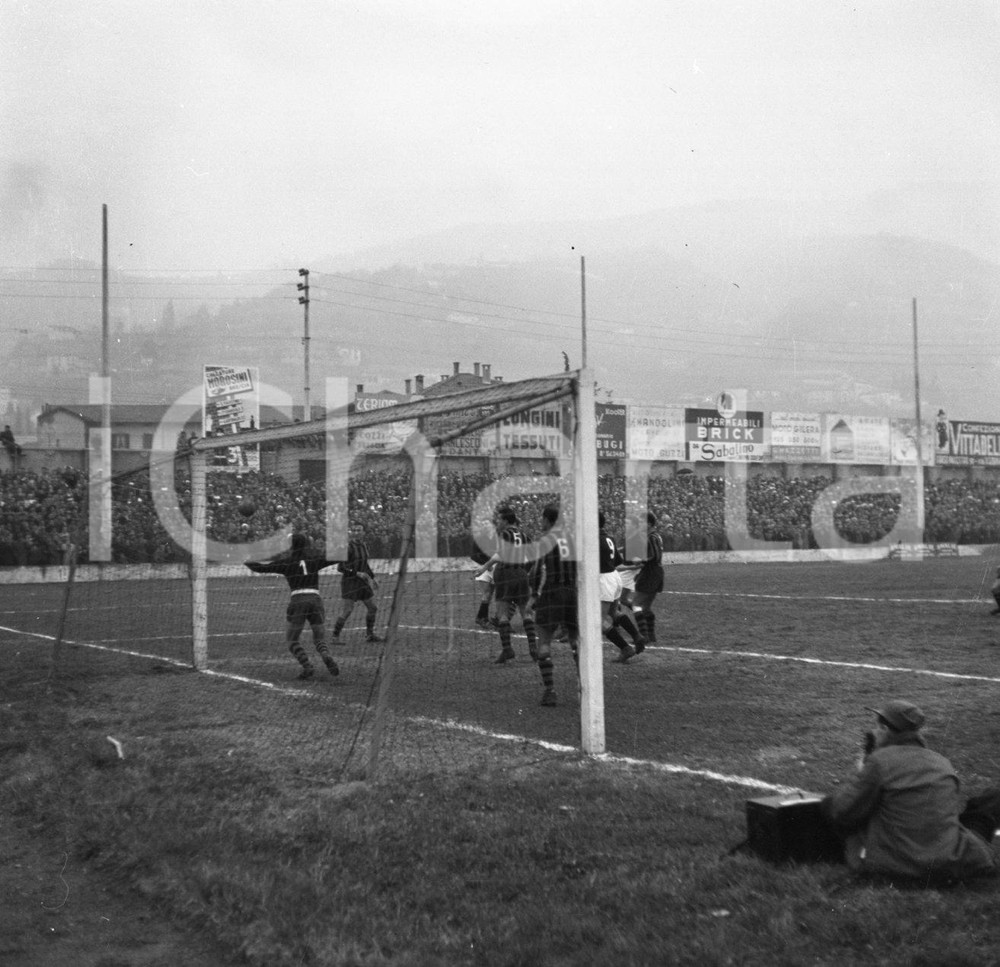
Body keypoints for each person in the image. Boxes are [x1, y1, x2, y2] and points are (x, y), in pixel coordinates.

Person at [821, 699, 999, 882]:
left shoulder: (879, 761)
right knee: (987, 803)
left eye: (877, 727)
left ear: (885, 730)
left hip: (894, 865)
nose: (874, 732)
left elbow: (842, 811)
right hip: (947, 861)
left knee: (831, 805)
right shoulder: (941, 762)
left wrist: (860, 774)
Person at [244, 532, 340, 680]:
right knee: (319, 638)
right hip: (315, 599)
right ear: (306, 544)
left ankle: (307, 667)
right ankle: (326, 655)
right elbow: (336, 557)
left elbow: (260, 568)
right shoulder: (315, 559)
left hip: (298, 601)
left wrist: (245, 559)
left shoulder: (286, 562)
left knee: (292, 640)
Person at [528, 503, 578, 707]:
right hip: (572, 593)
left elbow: (537, 571)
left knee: (544, 641)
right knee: (575, 640)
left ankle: (550, 691)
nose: (541, 522)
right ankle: (583, 684)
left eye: (542, 518)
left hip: (551, 592)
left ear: (548, 520)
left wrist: (533, 595)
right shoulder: (572, 539)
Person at [472, 506, 538, 664]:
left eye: (500, 520)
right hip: (521, 574)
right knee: (526, 613)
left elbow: (499, 554)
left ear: (507, 521)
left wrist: (484, 566)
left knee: (502, 614)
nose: (498, 522)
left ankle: (507, 649)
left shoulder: (504, 534)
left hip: (505, 574)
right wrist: (525, 572)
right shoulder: (524, 535)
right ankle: (533, 648)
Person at [599, 510, 643, 663]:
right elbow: (618, 561)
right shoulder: (609, 538)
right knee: (613, 613)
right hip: (614, 577)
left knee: (600, 620)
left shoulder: (593, 539)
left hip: (603, 579)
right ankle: (637, 636)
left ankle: (625, 648)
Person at [331, 522, 383, 643]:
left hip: (363, 582)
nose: (356, 532)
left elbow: (365, 565)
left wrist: (373, 578)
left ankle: (369, 635)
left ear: (363, 532)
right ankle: (335, 637)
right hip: (350, 582)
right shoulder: (348, 547)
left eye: (359, 530)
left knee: (373, 608)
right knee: (348, 610)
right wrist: (357, 573)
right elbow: (340, 567)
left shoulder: (364, 545)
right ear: (351, 532)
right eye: (354, 530)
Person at [626, 511, 664, 643]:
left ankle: (643, 636)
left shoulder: (651, 537)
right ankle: (651, 635)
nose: (640, 525)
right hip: (656, 573)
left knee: (636, 604)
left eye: (642, 522)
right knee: (646, 607)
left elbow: (654, 556)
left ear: (649, 524)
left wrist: (640, 560)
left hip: (650, 573)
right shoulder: (656, 536)